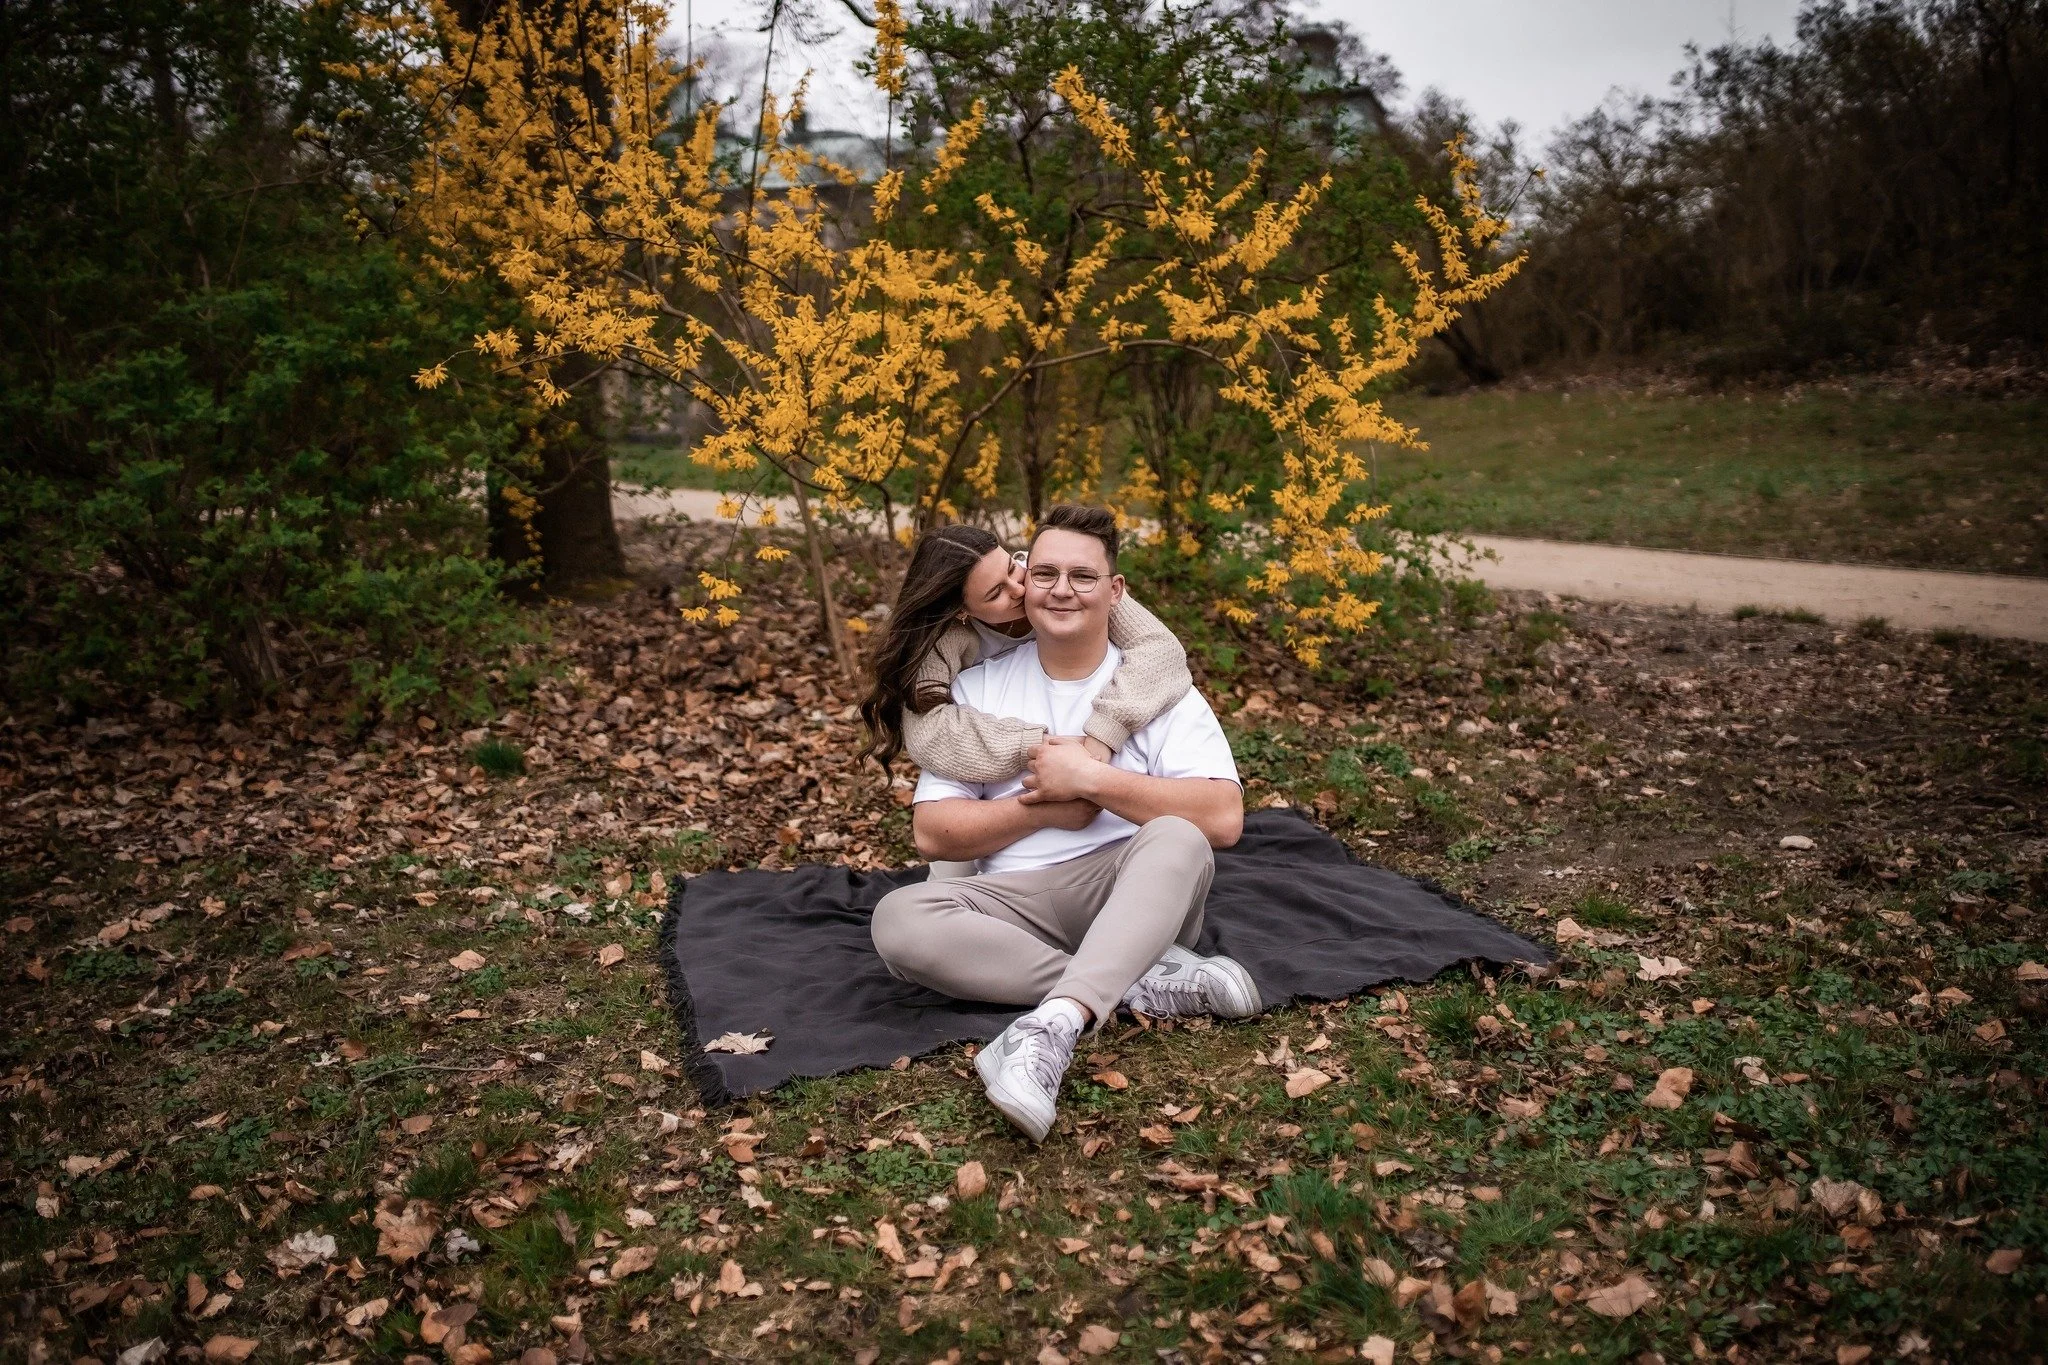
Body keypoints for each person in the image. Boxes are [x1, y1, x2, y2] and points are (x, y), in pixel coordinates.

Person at [870, 505, 1262, 1142]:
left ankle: (1053, 1025)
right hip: (1012, 906)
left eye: (1082, 576)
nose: (1057, 589)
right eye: (1044, 572)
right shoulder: (973, 688)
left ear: (1116, 590)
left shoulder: (1155, 683)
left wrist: (1091, 780)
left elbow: (1223, 818)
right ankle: (1130, 985)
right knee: (897, 919)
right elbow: (934, 833)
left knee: (1179, 834)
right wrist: (1050, 808)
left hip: (1131, 889)